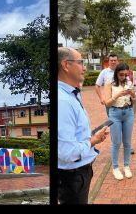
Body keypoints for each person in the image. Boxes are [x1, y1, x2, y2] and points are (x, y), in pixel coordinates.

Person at [58, 47, 111, 204]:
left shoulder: (71, 93)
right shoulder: (63, 101)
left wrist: (91, 136)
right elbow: (67, 152)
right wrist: (94, 140)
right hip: (73, 177)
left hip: (78, 174)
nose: (84, 67)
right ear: (66, 65)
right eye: (81, 62)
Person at [105, 63, 136, 180]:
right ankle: (115, 168)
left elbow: (133, 101)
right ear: (116, 73)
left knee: (128, 142)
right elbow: (107, 103)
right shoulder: (110, 84)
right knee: (116, 142)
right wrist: (117, 95)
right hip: (115, 114)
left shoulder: (129, 83)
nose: (123, 77)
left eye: (126, 74)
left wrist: (133, 95)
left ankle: (126, 166)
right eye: (121, 74)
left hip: (128, 112)